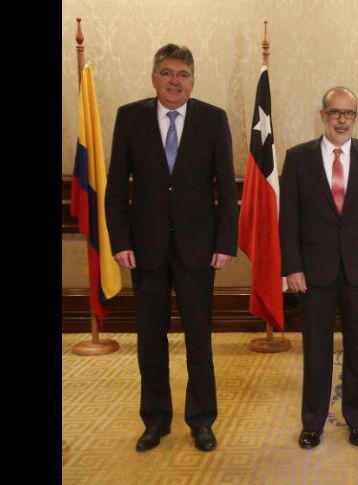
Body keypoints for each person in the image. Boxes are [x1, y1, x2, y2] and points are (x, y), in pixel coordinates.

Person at [105, 44, 238, 453]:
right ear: (154, 77)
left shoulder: (213, 120)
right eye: (167, 73)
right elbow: (115, 188)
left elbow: (226, 188)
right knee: (150, 339)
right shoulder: (129, 118)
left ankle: (201, 421)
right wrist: (121, 240)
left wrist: (225, 242)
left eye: (182, 74)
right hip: (145, 250)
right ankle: (155, 420)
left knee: (199, 339)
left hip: (199, 249)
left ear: (193, 81)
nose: (175, 81)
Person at [279, 87, 358, 449]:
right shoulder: (298, 158)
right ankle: (312, 423)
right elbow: (289, 221)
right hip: (313, 274)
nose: (342, 120)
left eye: (349, 114)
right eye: (335, 113)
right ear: (323, 115)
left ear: (356, 118)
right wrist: (292, 268)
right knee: (316, 351)